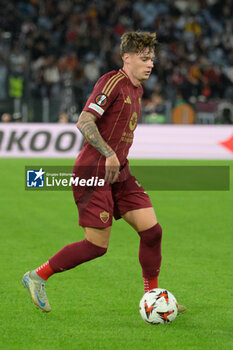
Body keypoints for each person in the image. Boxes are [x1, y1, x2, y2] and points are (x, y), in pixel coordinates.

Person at [22, 31, 186, 313]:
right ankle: (38, 276)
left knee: (152, 232)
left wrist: (116, 159)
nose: (151, 64)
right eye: (144, 59)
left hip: (120, 173)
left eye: (152, 59)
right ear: (127, 58)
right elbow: (84, 120)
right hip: (94, 172)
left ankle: (152, 298)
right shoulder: (112, 82)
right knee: (97, 246)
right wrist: (109, 153)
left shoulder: (138, 89)